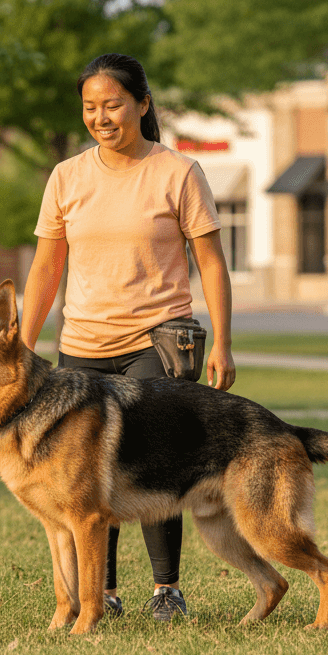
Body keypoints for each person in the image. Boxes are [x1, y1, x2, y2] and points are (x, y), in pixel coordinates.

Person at [19, 53, 236, 622]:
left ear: (142, 104)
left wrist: (224, 342)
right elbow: (46, 268)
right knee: (85, 479)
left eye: (112, 105)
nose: (101, 117)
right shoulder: (66, 176)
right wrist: (21, 343)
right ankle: (104, 594)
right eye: (90, 107)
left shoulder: (179, 172)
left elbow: (210, 263)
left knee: (155, 467)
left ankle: (167, 589)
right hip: (82, 347)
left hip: (157, 340)